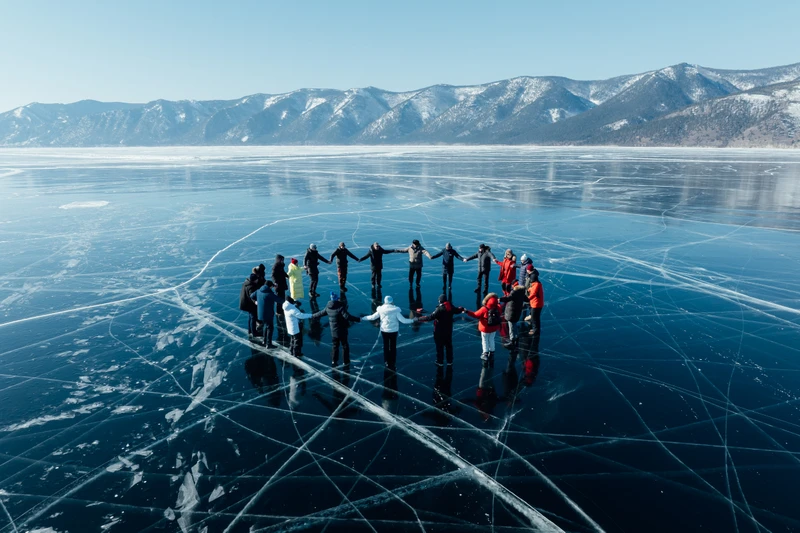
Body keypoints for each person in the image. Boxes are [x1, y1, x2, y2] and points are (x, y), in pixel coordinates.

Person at [362, 295, 415, 369]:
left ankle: (386, 361)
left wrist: (362, 318)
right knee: (393, 346)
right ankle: (393, 362)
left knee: (386, 346)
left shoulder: (381, 310)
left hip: (384, 331)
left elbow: (372, 317)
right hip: (393, 331)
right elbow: (403, 320)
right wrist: (413, 320)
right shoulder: (395, 310)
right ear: (392, 301)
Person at [312, 291, 362, 365]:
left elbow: (320, 313)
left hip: (334, 332)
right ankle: (346, 361)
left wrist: (312, 315)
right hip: (342, 331)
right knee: (345, 345)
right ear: (337, 299)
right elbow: (347, 316)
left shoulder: (328, 308)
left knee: (335, 346)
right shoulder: (340, 307)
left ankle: (334, 360)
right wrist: (358, 319)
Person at [416, 294, 464, 366]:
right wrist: (462, 308)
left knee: (439, 347)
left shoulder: (439, 309)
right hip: (448, 331)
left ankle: (440, 361)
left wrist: (419, 319)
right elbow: (458, 310)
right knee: (448, 346)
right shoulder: (450, 307)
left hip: (439, 331)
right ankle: (449, 361)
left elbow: (430, 317)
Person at [465, 292, 502, 361]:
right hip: (494, 327)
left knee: (485, 340)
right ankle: (492, 352)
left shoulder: (484, 309)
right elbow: (500, 307)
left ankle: (485, 353)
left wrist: (467, 311)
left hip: (485, 328)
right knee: (491, 339)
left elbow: (475, 315)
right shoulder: (498, 308)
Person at [250, 280, 280, 347]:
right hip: (268, 314)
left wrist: (255, 301)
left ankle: (264, 341)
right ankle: (268, 344)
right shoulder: (270, 294)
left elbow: (251, 296)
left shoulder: (258, 291)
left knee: (265, 326)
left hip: (260, 314)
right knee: (270, 328)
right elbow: (279, 300)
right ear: (270, 286)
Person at [239, 271, 260, 340]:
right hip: (249, 304)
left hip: (245, 303)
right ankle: (254, 332)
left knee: (250, 317)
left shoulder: (246, 283)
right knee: (253, 317)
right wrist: (255, 302)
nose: (257, 280)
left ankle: (250, 330)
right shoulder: (251, 286)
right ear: (254, 280)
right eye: (256, 279)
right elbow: (251, 296)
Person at [526, 268, 544, 337]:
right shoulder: (537, 284)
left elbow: (533, 293)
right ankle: (535, 329)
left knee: (534, 318)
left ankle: (535, 331)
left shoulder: (536, 285)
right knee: (536, 318)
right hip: (537, 303)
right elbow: (532, 289)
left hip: (536, 304)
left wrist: (527, 299)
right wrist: (529, 289)